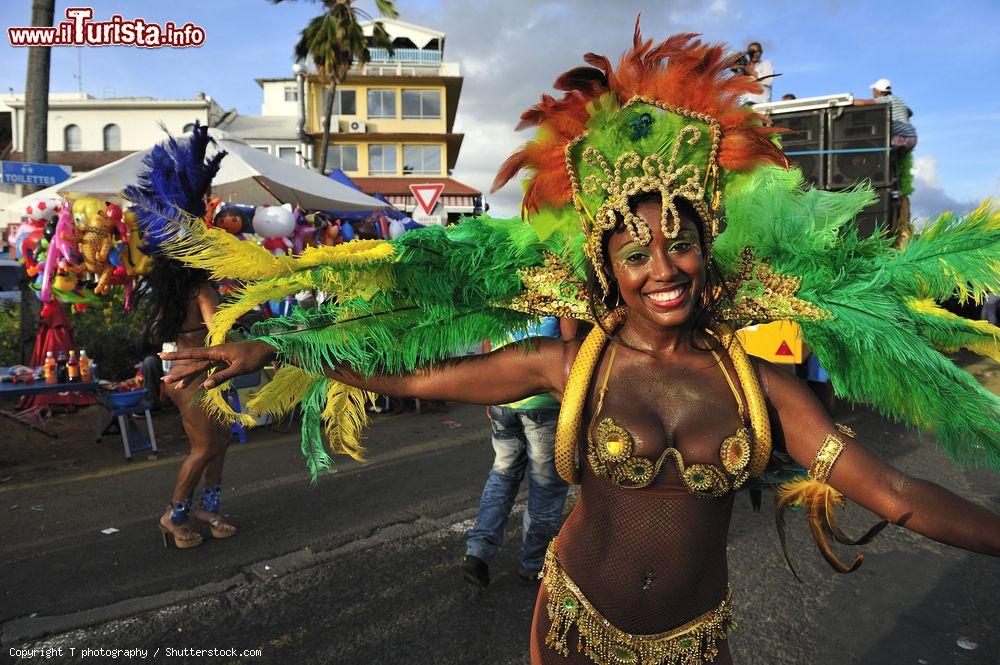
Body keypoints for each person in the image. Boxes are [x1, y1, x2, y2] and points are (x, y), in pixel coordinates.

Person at [161, 29, 1000, 665]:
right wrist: (276, 348)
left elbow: (892, 492)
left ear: (708, 248)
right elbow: (414, 370)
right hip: (572, 629)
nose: (663, 269)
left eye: (680, 243)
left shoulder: (764, 387)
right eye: (636, 253)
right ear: (606, 265)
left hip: (692, 645)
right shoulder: (572, 365)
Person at [128, 124, 236, 550]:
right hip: (191, 375)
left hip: (185, 370)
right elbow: (221, 332)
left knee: (221, 439)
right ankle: (174, 517)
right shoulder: (202, 289)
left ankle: (208, 508)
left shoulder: (172, 291)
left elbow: (159, 335)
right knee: (206, 444)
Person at [463, 317, 568, 588]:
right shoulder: (557, 289)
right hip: (544, 404)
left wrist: (490, 393)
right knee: (546, 488)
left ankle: (477, 553)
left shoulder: (503, 288)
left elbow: (488, 346)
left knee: (502, 475)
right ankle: (533, 565)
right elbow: (570, 348)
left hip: (504, 400)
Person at [856, 78, 918, 152]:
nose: (873, 93)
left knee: (880, 150)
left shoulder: (886, 99)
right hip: (912, 138)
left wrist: (848, 101)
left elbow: (864, 103)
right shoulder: (897, 100)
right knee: (893, 159)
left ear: (878, 92)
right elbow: (910, 112)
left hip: (902, 138)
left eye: (874, 90)